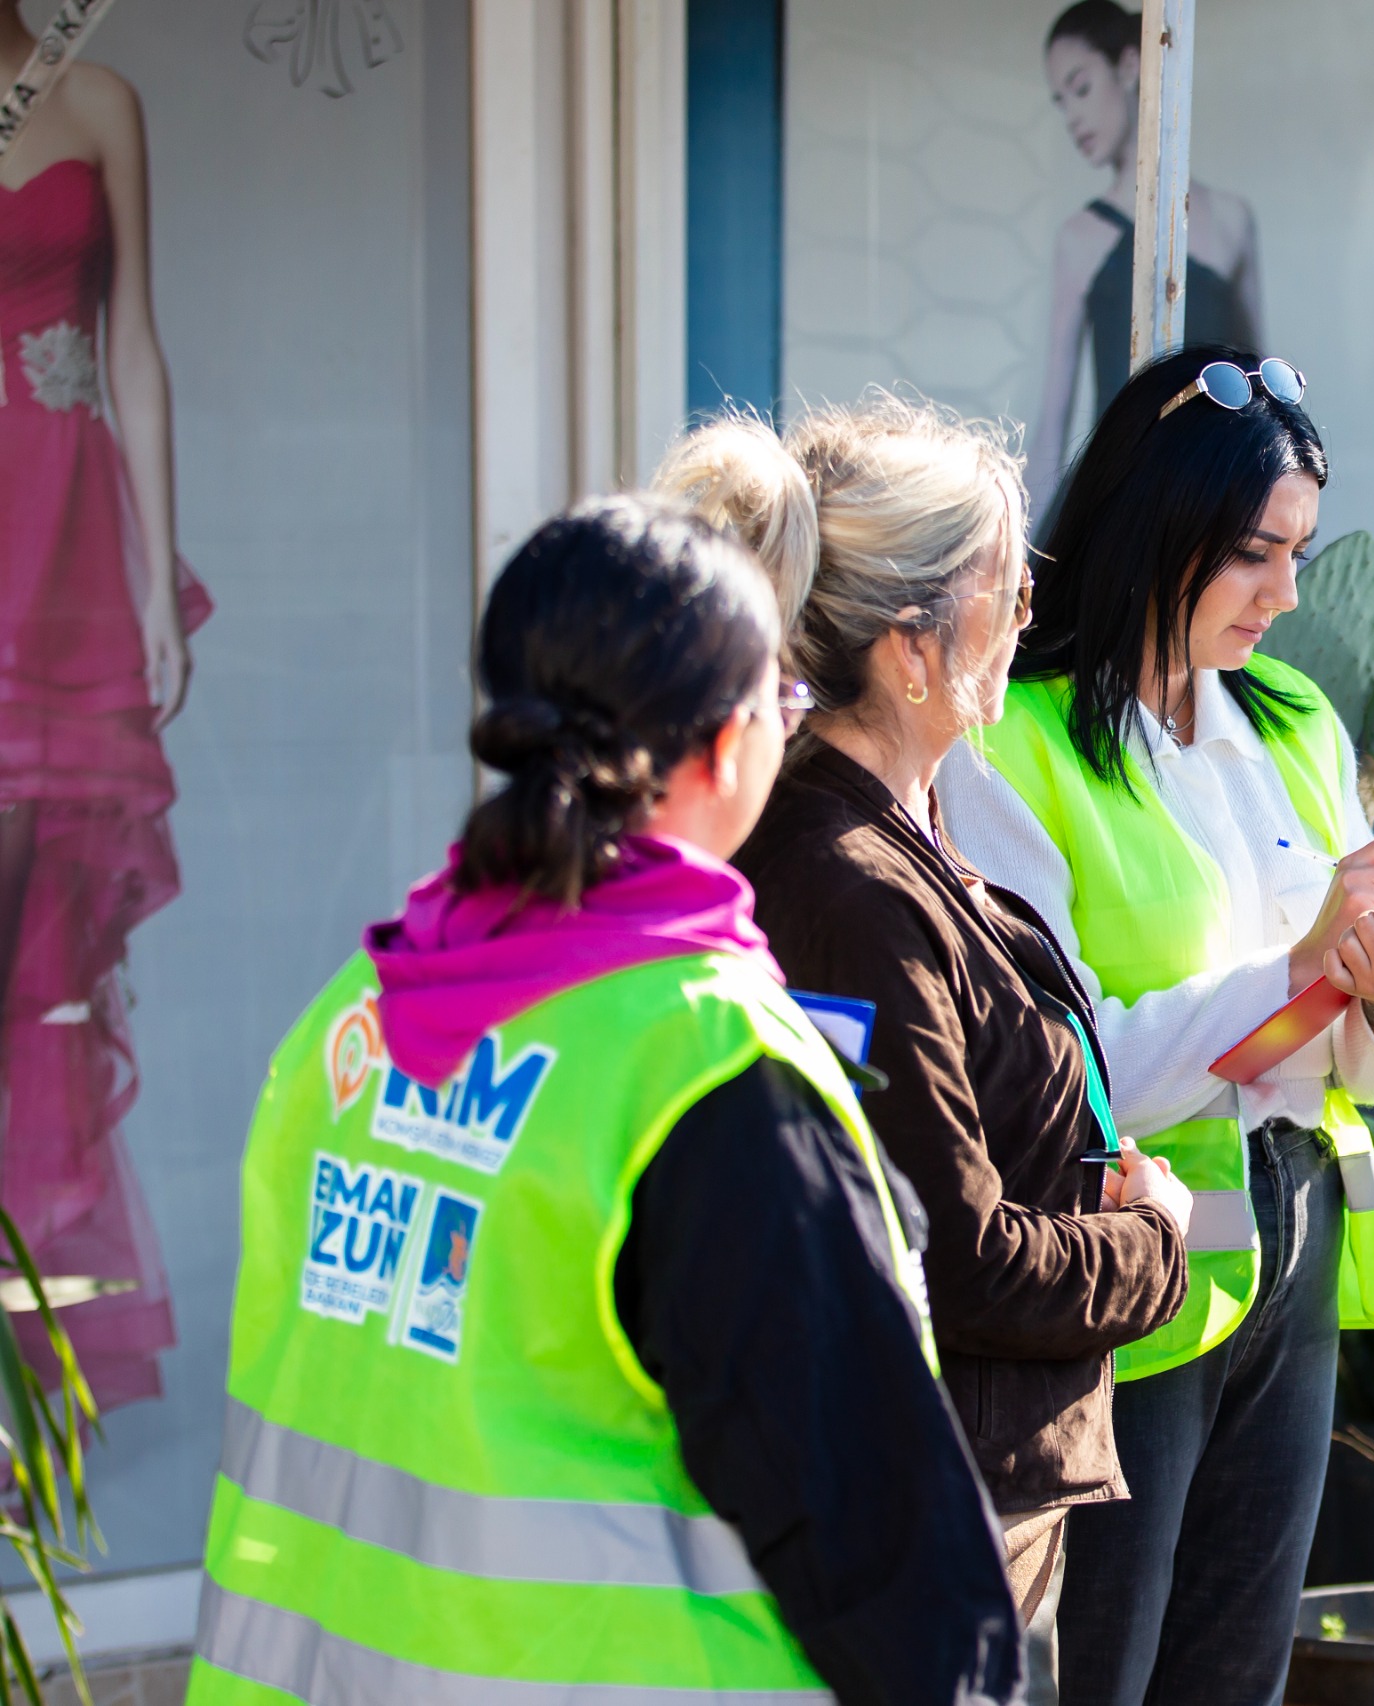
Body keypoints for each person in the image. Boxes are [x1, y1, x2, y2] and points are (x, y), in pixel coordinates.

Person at [190, 497, 1021, 1706]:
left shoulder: (345, 1024)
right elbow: (881, 1546)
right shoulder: (698, 1065)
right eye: (780, 703)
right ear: (725, 750)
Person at [939, 347, 1374, 1706]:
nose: (1286, 592)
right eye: (1251, 553)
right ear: (1154, 527)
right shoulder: (1008, 744)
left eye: (1301, 551)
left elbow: (1367, 1041)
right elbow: (1062, 1064)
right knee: (1104, 1662)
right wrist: (1298, 972)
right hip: (1127, 1250)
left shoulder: (1291, 717)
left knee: (1239, 1665)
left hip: (1296, 1234)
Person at [675, 402, 1195, 1665]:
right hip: (932, 1509)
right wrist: (1150, 1241)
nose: (1029, 614)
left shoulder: (893, 844)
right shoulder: (847, 886)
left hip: (956, 1490)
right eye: (1007, 589)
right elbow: (954, 1259)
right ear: (909, 652)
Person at [0, 4, 204, 1407]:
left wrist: (150, 588)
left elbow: (133, 346)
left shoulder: (101, 101)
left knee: (30, 962)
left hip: (64, 547)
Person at [1026, 1, 1263, 518]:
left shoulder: (1231, 220)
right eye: (1060, 102)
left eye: (1081, 88)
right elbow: (1053, 423)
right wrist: (1018, 561)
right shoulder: (1081, 238)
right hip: (1117, 502)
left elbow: (1265, 391)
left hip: (1214, 493)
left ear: (1130, 67)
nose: (1072, 118)